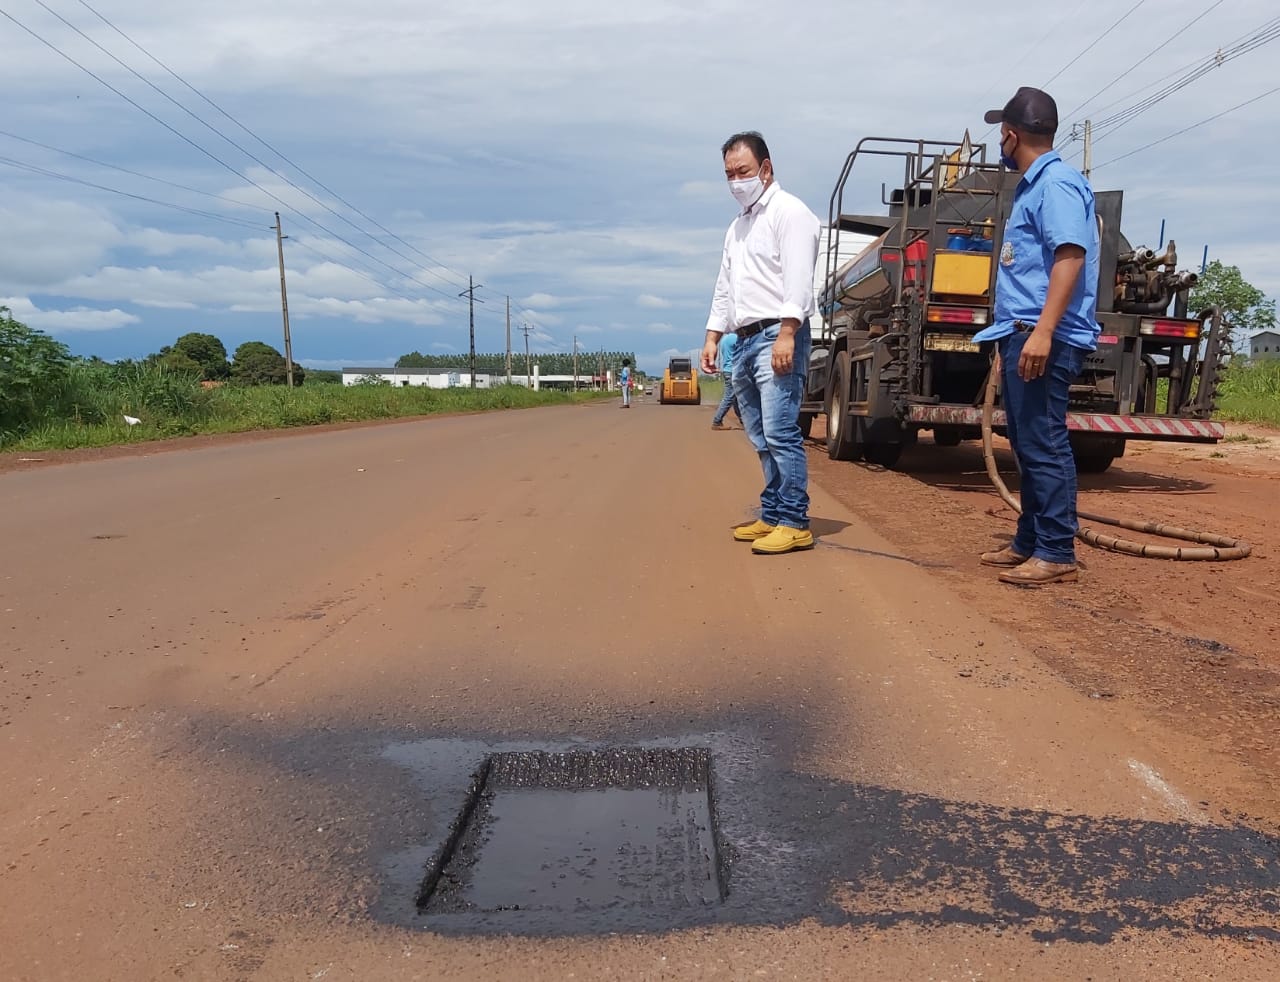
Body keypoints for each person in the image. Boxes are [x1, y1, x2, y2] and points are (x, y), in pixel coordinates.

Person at [972, 87, 1100, 586]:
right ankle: (1030, 540)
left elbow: (1070, 256)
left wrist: (1043, 332)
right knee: (1027, 441)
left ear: (1010, 135)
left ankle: (1056, 549)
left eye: (999, 134)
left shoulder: (1058, 185)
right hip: (1022, 332)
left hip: (1045, 334)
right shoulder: (1035, 185)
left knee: (1044, 440)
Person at [701, 131, 820, 555]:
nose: (736, 181)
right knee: (759, 435)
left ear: (766, 169)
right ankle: (772, 513)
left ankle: (794, 521)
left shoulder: (791, 213)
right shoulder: (737, 228)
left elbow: (798, 280)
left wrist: (788, 332)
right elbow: (725, 286)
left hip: (777, 334)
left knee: (781, 431)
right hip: (746, 338)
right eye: (729, 174)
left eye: (744, 171)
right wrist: (714, 335)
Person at [710, 332, 740, 430]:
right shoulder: (735, 338)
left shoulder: (724, 339)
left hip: (727, 370)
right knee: (729, 397)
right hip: (733, 370)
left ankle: (743, 420)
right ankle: (717, 421)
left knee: (736, 398)